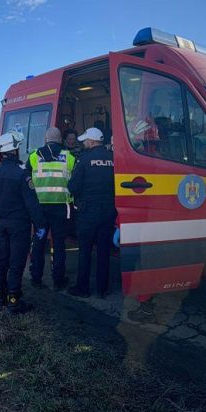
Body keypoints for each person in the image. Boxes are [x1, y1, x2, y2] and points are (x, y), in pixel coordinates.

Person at [0, 131, 46, 314]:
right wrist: (40, 225)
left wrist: (0, 216)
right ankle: (14, 301)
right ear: (14, 150)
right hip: (19, 225)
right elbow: (32, 204)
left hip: (2, 223)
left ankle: (0, 298)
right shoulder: (22, 173)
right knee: (16, 263)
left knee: (2, 260)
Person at [67, 127, 116, 299]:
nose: (84, 142)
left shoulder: (84, 159)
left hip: (88, 213)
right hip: (109, 212)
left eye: (86, 140)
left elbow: (72, 187)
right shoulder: (113, 159)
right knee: (103, 251)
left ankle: (83, 288)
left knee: (85, 251)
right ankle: (102, 289)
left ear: (92, 141)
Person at [27, 127, 76, 290]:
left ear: (46, 139)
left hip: (39, 211)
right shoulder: (69, 157)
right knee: (59, 244)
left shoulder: (34, 156)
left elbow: (25, 180)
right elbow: (76, 182)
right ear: (60, 139)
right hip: (60, 209)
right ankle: (58, 279)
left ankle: (35, 278)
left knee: (39, 242)